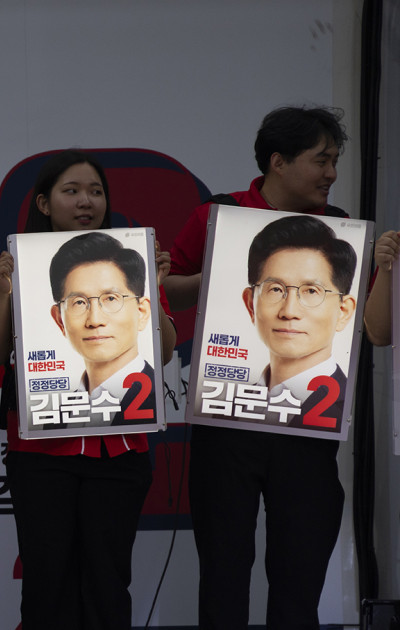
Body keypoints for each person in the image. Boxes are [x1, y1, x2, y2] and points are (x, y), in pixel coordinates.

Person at [163, 106, 348, 629]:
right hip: (227, 419)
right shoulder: (218, 215)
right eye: (322, 160)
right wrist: (216, 273)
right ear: (278, 162)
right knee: (223, 571)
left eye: (335, 161)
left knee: (299, 572)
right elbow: (169, 288)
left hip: (307, 422)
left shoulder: (339, 227)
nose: (332, 173)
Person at [0, 150, 175, 629]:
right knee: (48, 585)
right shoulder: (16, 267)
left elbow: (164, 352)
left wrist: (154, 288)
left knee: (108, 583)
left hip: (121, 451)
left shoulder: (131, 264)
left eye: (96, 191)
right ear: (44, 202)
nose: (86, 201)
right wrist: (5, 291)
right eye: (72, 191)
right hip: (41, 456)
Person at [241, 216, 356, 426]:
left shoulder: (355, 408)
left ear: (343, 311)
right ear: (251, 305)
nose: (289, 311)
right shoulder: (226, 405)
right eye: (276, 289)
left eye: (311, 291)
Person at [48, 231, 156, 426]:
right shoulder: (53, 417)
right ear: (59, 320)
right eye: (79, 302)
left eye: (111, 299)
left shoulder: (158, 401)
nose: (95, 320)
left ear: (142, 312)